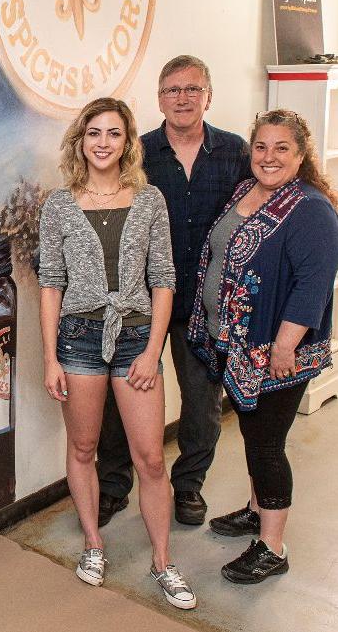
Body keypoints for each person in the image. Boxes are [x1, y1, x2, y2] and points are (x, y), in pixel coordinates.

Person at [38, 97, 195, 609]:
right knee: (83, 449)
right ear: (80, 141)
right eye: (93, 133)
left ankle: (163, 561)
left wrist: (152, 351)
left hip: (134, 339)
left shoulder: (148, 200)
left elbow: (164, 280)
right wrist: (50, 358)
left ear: (128, 141)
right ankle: (93, 543)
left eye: (113, 133)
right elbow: (50, 285)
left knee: (150, 458)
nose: (103, 143)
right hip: (78, 339)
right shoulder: (59, 206)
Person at [95, 55, 251, 528]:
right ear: (159, 98)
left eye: (192, 89)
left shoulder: (234, 152)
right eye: (172, 90)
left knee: (202, 403)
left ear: (209, 96)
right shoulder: (138, 152)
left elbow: (256, 216)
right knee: (121, 395)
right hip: (139, 303)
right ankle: (112, 486)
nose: (182, 98)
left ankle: (188, 487)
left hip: (205, 305)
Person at [187, 109, 338, 584]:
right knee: (254, 436)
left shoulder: (310, 208)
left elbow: (314, 285)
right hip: (238, 345)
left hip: (276, 354)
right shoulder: (247, 191)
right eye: (261, 147)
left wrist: (284, 346)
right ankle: (257, 510)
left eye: (281, 149)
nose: (269, 157)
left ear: (300, 155)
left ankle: (272, 547)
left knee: (266, 445)